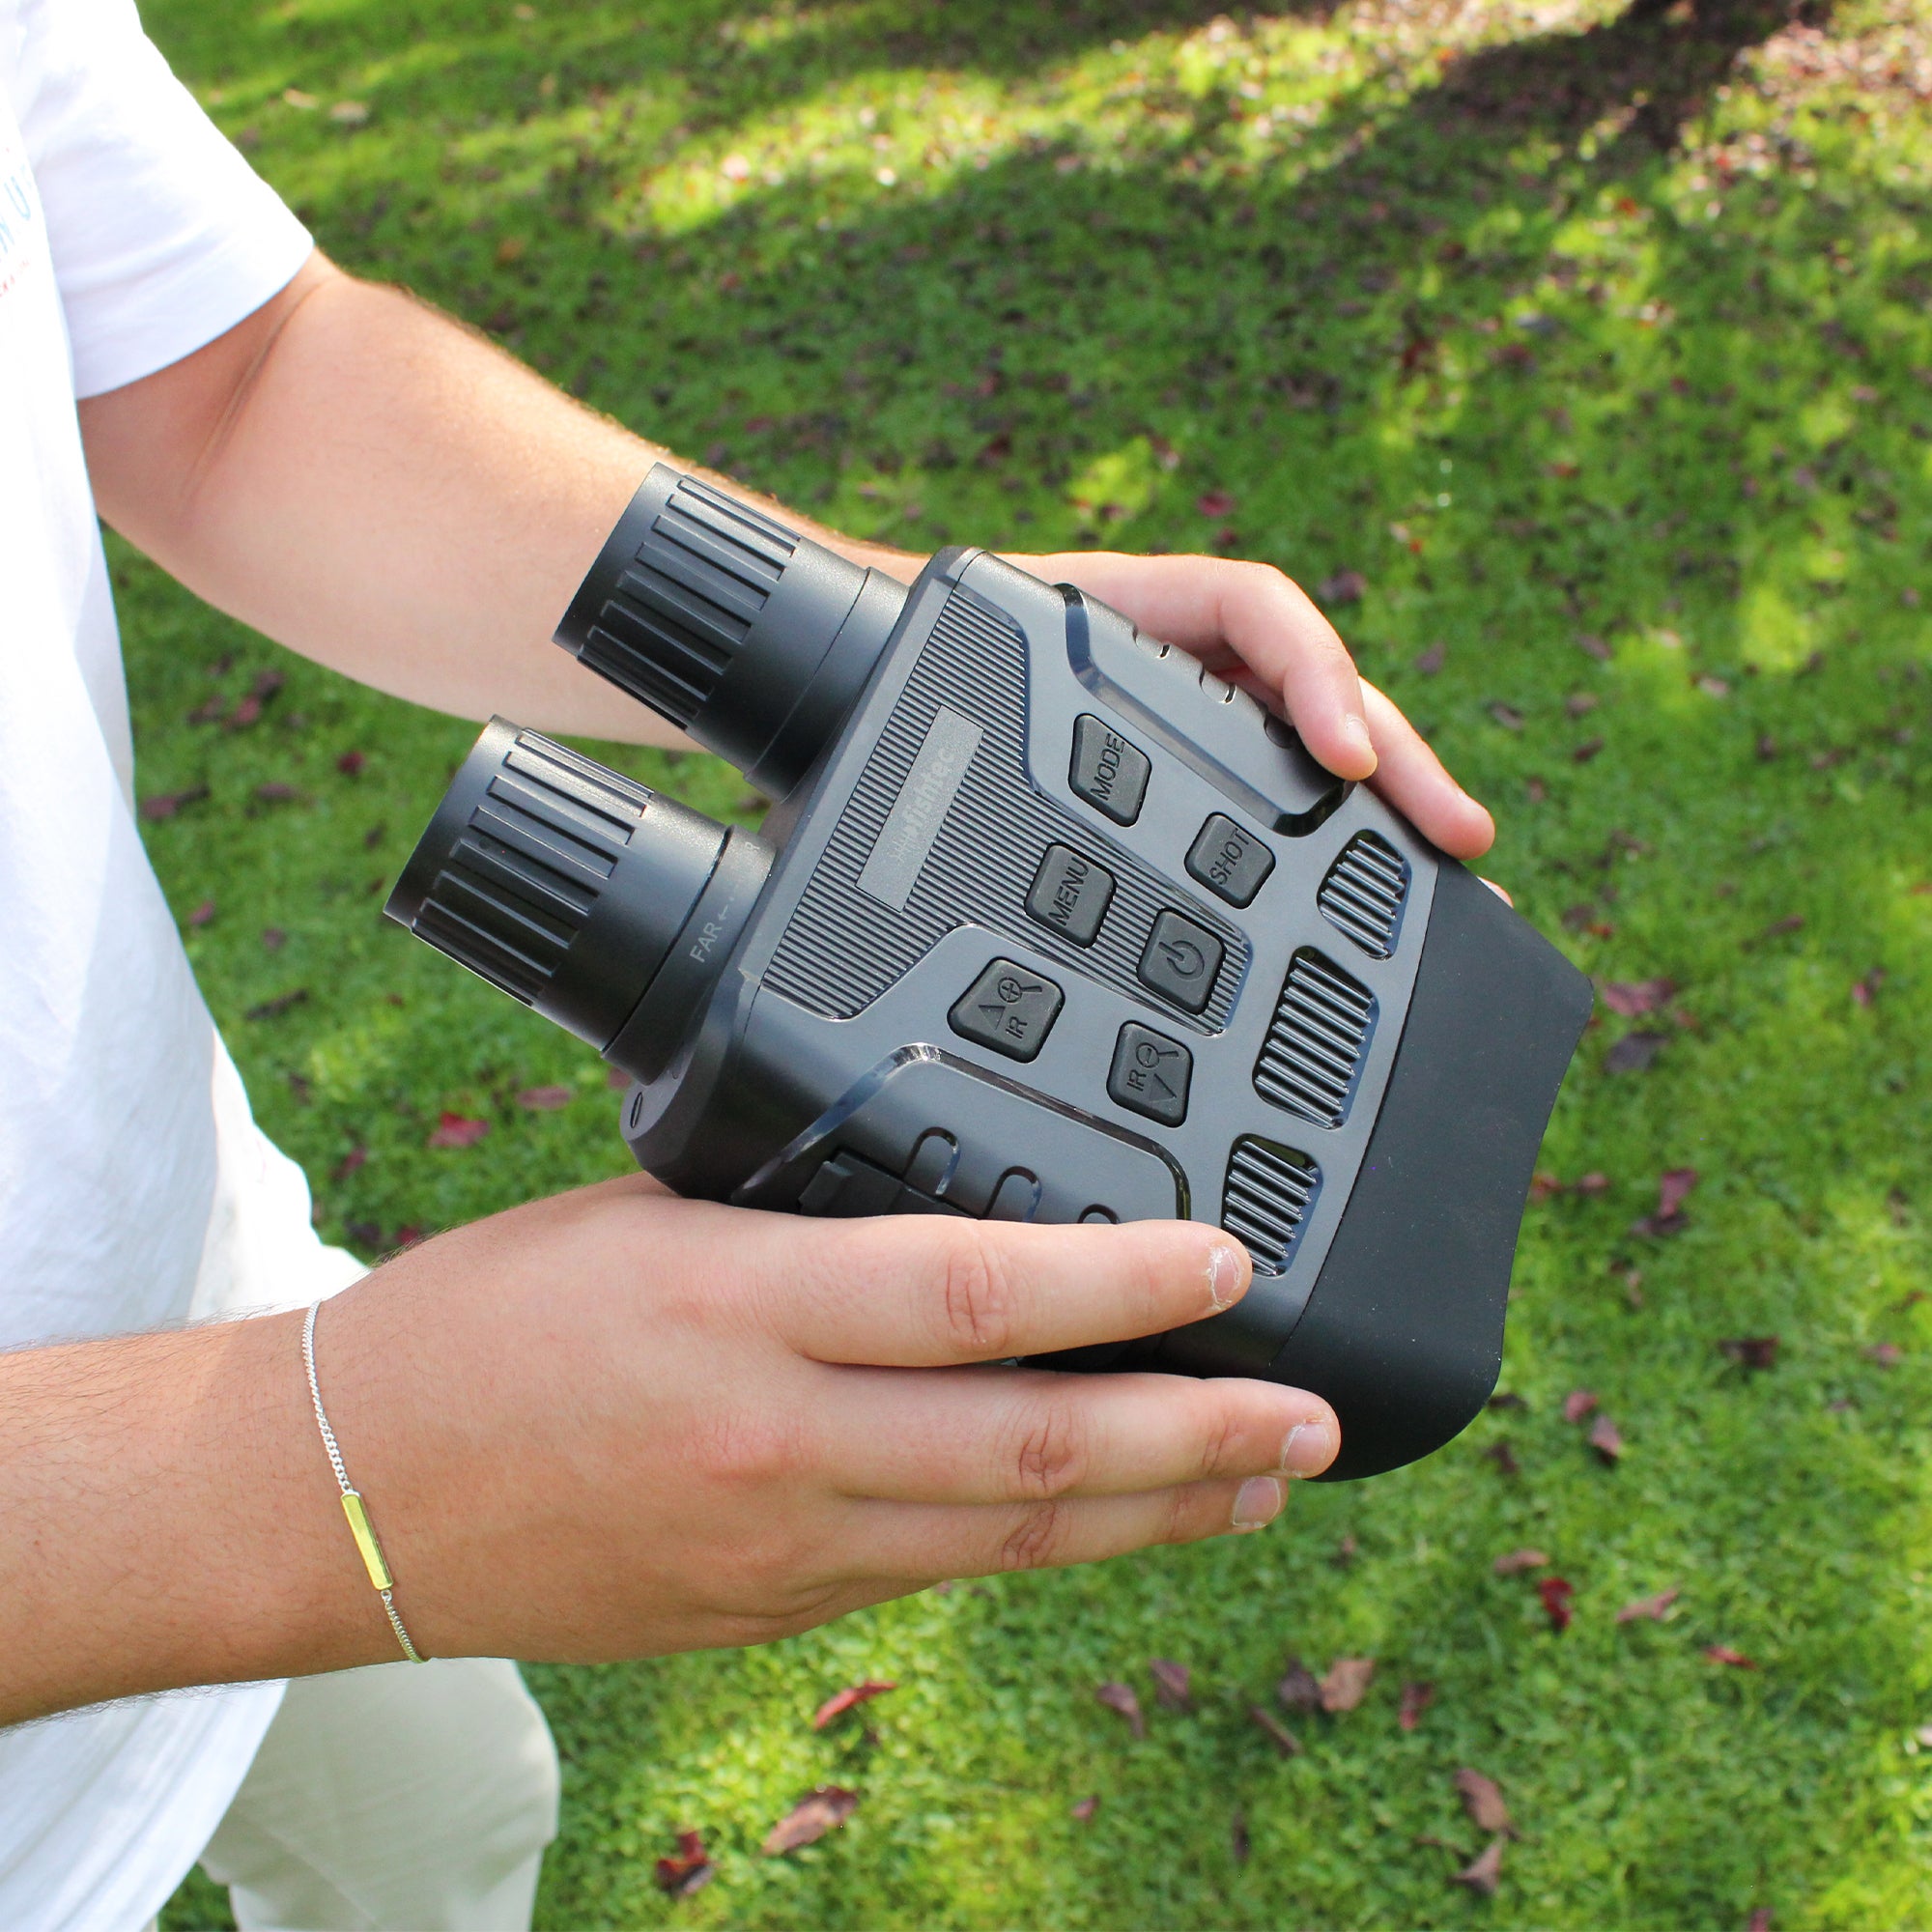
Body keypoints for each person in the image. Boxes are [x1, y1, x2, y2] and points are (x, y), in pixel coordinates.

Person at [0, 0, 1497, 1924]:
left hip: (188, 1299)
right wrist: (328, 1477)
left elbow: (230, 376)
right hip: (190, 1521)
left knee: (450, 1826)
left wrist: (888, 649)